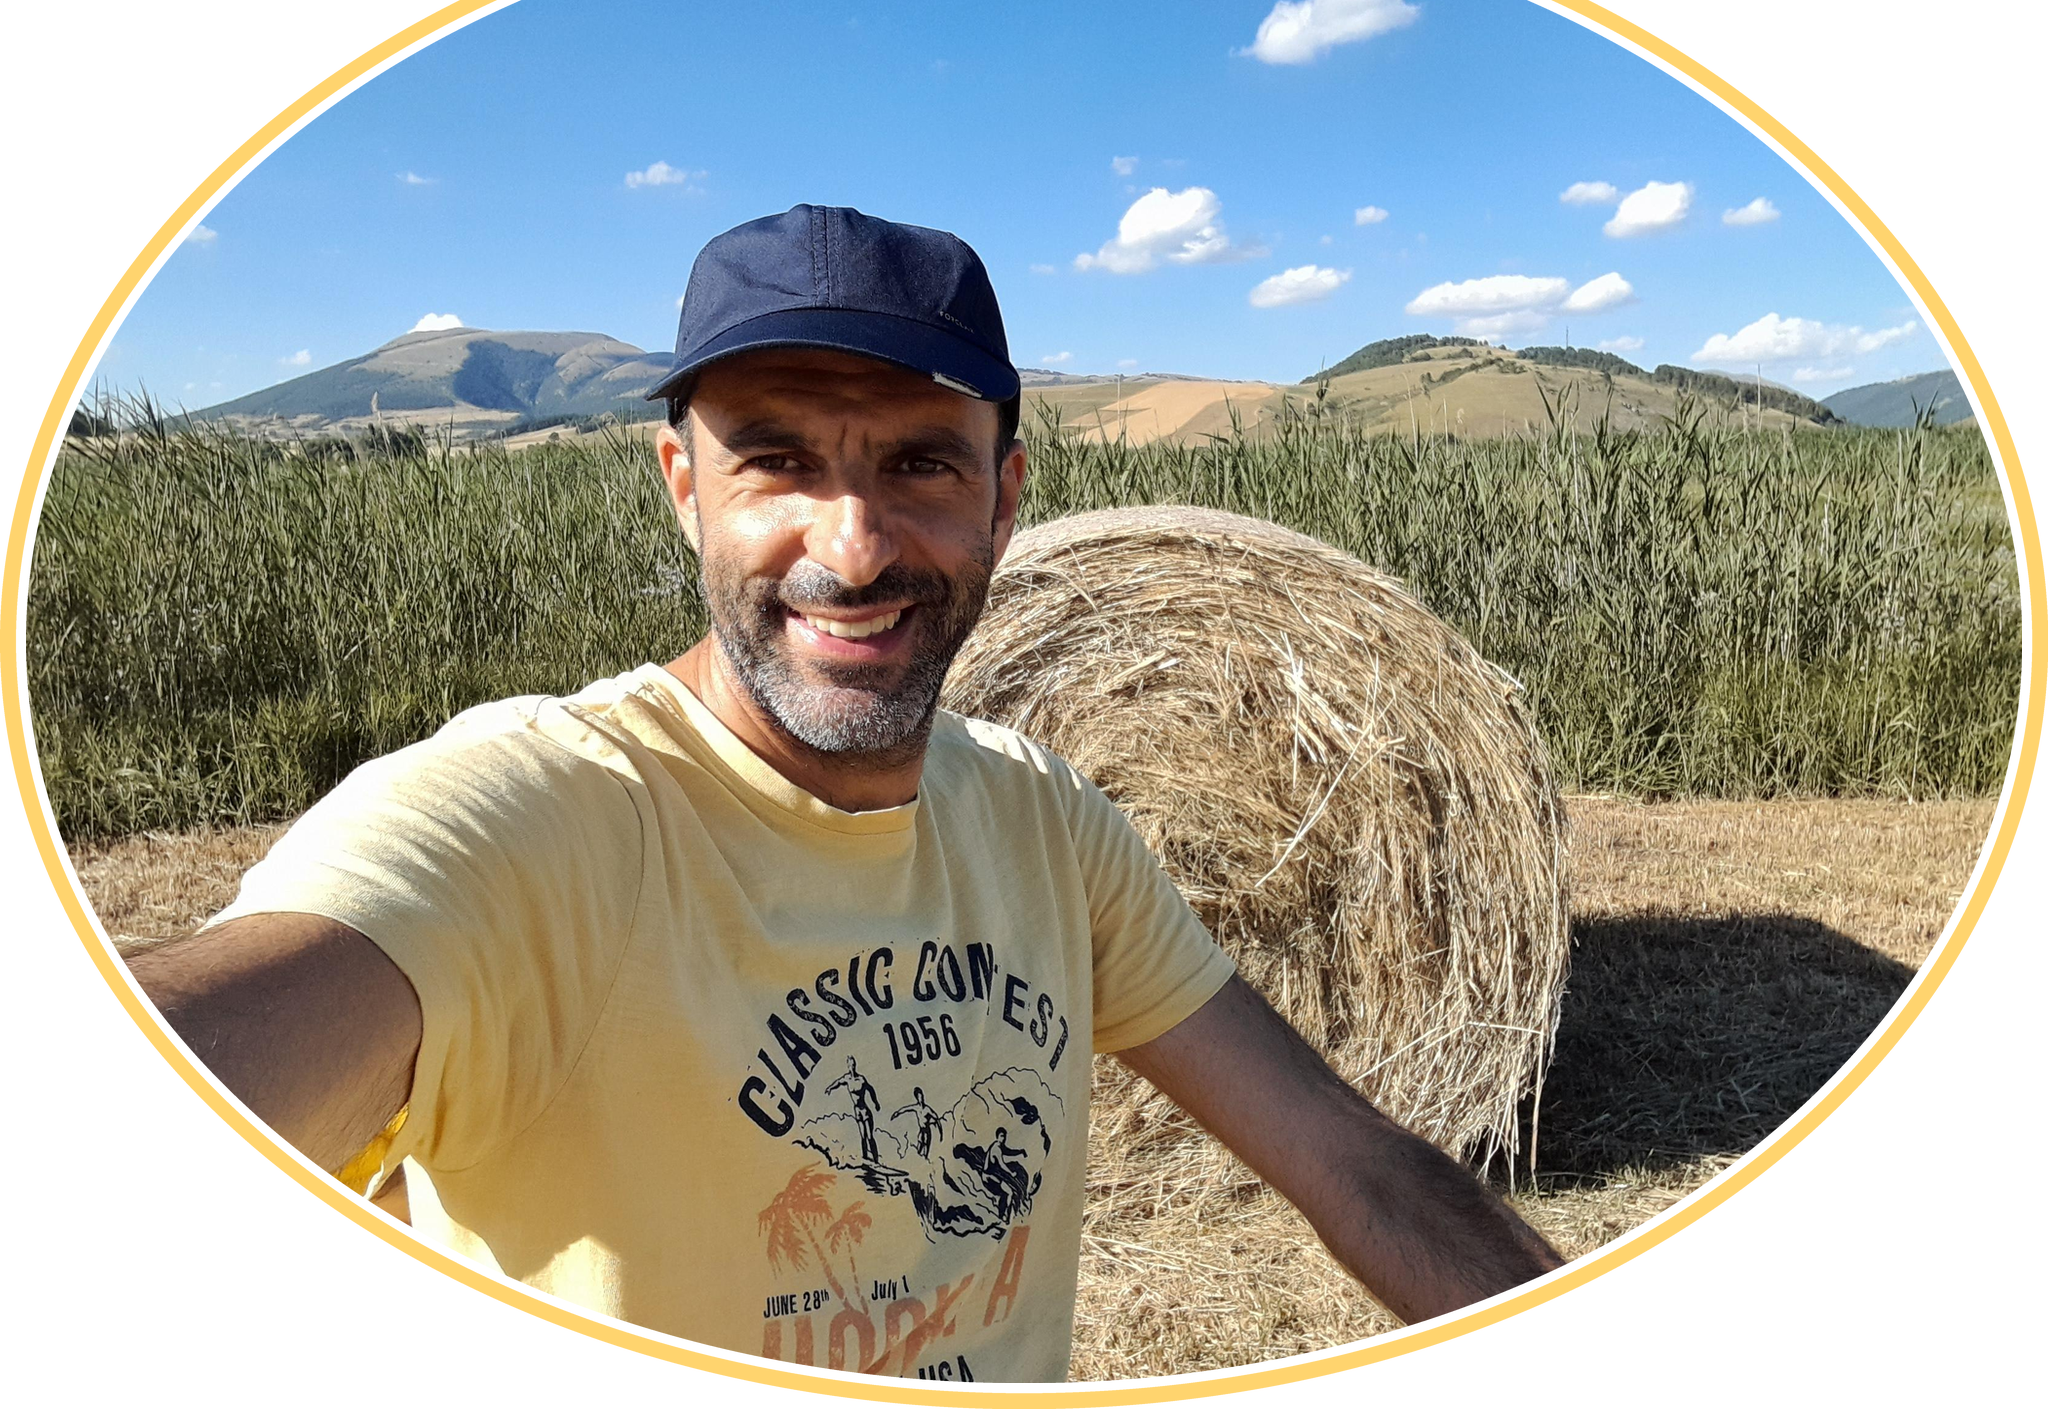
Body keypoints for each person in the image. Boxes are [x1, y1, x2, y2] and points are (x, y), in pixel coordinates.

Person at [130, 204, 1559, 1382]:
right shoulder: (534, 819)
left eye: (921, 464)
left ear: (1006, 497)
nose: (855, 545)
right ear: (683, 484)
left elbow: (1356, 1164)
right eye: (778, 462)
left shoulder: (1046, 824)